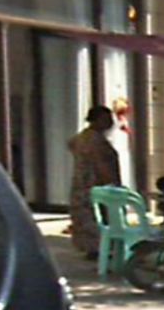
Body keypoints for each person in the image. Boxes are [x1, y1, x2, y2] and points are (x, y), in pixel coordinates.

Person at [68, 105, 120, 259]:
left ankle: (94, 249)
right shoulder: (95, 141)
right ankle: (100, 249)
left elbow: (71, 145)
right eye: (106, 119)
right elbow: (100, 165)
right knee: (97, 217)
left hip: (81, 184)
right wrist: (112, 185)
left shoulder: (81, 137)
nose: (110, 123)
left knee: (86, 217)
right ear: (96, 120)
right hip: (95, 184)